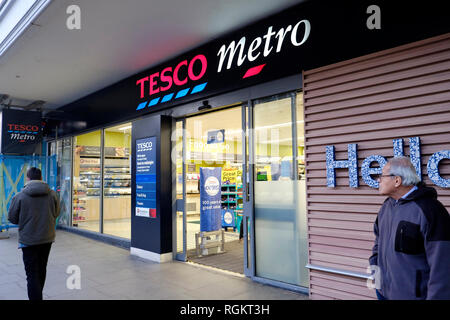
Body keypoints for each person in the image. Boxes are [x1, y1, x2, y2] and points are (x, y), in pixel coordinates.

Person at [369, 156, 450, 300]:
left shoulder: (430, 211)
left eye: (382, 175)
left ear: (397, 180)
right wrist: (377, 280)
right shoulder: (386, 207)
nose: (378, 180)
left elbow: (442, 265)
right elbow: (378, 245)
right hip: (383, 293)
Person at [8, 167, 60, 300]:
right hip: (47, 238)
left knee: (31, 275)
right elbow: (56, 213)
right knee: (42, 270)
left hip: (28, 241)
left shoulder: (19, 196)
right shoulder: (53, 194)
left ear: (28, 178)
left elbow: (12, 218)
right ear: (41, 178)